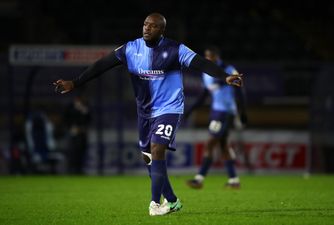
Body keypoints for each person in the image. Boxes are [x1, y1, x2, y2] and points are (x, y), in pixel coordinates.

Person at [53, 13, 243, 216]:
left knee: (157, 149)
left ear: (162, 30)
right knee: (148, 158)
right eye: (145, 24)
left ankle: (155, 203)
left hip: (170, 108)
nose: (147, 28)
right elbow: (101, 65)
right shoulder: (131, 49)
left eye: (153, 26)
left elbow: (200, 63)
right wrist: (74, 82)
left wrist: (225, 77)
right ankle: (172, 201)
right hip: (145, 112)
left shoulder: (175, 49)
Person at [185, 46, 247, 189]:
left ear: (216, 57)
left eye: (210, 57)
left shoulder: (229, 69)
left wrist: (243, 112)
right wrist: (191, 110)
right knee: (223, 145)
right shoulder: (206, 73)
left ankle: (199, 179)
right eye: (206, 57)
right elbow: (204, 95)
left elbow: (240, 90)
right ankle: (234, 180)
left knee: (210, 143)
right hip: (216, 111)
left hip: (225, 112)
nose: (208, 59)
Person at [64, 94, 91, 174]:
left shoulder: (85, 107)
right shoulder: (70, 107)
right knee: (72, 151)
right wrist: (70, 128)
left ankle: (79, 169)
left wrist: (84, 110)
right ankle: (71, 170)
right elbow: (66, 119)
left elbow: (89, 119)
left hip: (82, 133)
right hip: (73, 133)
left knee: (81, 151)